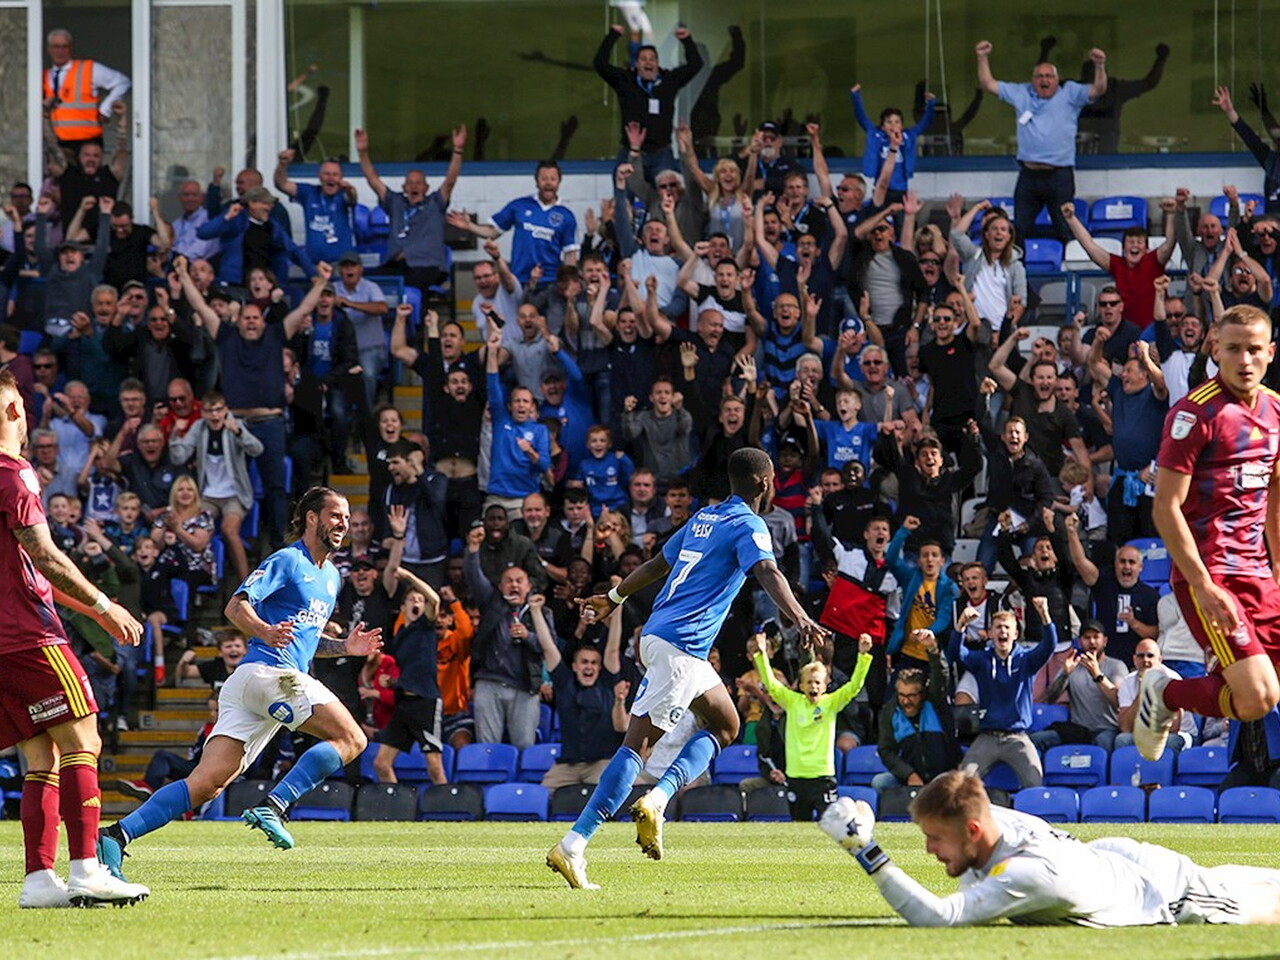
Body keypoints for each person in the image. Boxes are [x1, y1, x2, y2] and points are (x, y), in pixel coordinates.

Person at [546, 447, 828, 889]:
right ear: (764, 482)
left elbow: (659, 564)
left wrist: (615, 597)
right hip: (680, 646)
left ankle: (657, 800)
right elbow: (768, 571)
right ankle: (574, 844)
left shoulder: (703, 518)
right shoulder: (748, 524)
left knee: (726, 724)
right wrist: (801, 616)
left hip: (672, 642)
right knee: (637, 748)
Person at [96, 487, 382, 879]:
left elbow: (309, 642)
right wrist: (264, 630)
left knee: (205, 785)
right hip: (269, 674)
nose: (343, 524)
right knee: (352, 739)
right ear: (312, 517)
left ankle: (115, 836)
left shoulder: (332, 577)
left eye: (347, 518)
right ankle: (275, 806)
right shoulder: (288, 559)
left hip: (258, 684)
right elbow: (236, 605)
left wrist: (345, 646)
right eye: (335, 515)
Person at [0, 369, 150, 907]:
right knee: (84, 741)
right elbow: (44, 556)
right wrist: (105, 606)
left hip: (4, 644)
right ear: (15, 410)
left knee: (40, 755)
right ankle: (87, 869)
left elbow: (27, 571)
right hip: (31, 637)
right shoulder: (13, 473)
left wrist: (91, 610)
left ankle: (40, 880)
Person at [820, 770, 1280, 926]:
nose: (928, 849)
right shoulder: (992, 822)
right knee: (1230, 879)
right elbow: (960, 793)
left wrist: (866, 850)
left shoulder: (1028, 875)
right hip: (1107, 861)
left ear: (974, 831)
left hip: (1163, 889)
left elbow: (941, 917)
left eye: (935, 838)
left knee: (1256, 909)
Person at [1138, 305, 1280, 760]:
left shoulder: (1276, 411)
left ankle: (1189, 685)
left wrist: (1278, 568)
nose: (1244, 360)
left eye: (1254, 349)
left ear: (1270, 352)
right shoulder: (1194, 414)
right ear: (1215, 349)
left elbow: (1274, 491)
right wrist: (1203, 585)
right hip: (1212, 575)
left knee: (1258, 690)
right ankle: (1164, 693)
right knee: (1257, 698)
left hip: (1259, 574)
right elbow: (1165, 508)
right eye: (1233, 349)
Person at [975, 39, 1106, 242]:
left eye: (1049, 76)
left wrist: (1099, 65)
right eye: (1039, 76)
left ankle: (1068, 264)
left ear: (1057, 79)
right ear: (1033, 80)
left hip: (1059, 176)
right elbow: (988, 84)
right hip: (1029, 176)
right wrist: (982, 57)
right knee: (1018, 231)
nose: (1044, 80)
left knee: (1065, 229)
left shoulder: (1070, 93)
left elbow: (1098, 89)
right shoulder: (1022, 93)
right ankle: (1017, 264)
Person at [751, 631, 872, 821]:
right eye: (809, 682)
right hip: (796, 775)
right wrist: (761, 654)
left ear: (825, 686)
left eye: (817, 683)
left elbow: (854, 687)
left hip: (823, 776)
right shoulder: (792, 702)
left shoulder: (831, 703)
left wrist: (863, 656)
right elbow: (771, 685)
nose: (813, 687)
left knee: (831, 824)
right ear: (801, 686)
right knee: (799, 826)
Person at [949, 598, 1057, 789]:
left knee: (1035, 783)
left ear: (1015, 634)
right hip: (987, 737)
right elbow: (956, 654)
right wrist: (961, 625)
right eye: (998, 627)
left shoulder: (1026, 660)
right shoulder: (982, 660)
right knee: (961, 784)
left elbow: (1049, 646)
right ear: (990, 633)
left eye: (1007, 627)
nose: (1002, 631)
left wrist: (1044, 615)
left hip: (1018, 738)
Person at [593, 23, 703, 179]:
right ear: (637, 63)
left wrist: (687, 41)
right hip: (630, 152)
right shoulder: (625, 80)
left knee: (668, 191)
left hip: (661, 154)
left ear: (657, 63)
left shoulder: (669, 80)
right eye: (643, 59)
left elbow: (696, 64)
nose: (648, 63)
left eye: (652, 59)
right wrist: (612, 36)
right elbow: (600, 64)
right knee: (624, 191)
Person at [41, 28, 130, 148]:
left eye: (64, 46)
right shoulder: (44, 76)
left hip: (87, 142)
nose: (60, 51)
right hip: (57, 143)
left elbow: (122, 82)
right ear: (49, 49)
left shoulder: (88, 69)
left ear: (70, 48)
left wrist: (105, 110)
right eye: (56, 47)